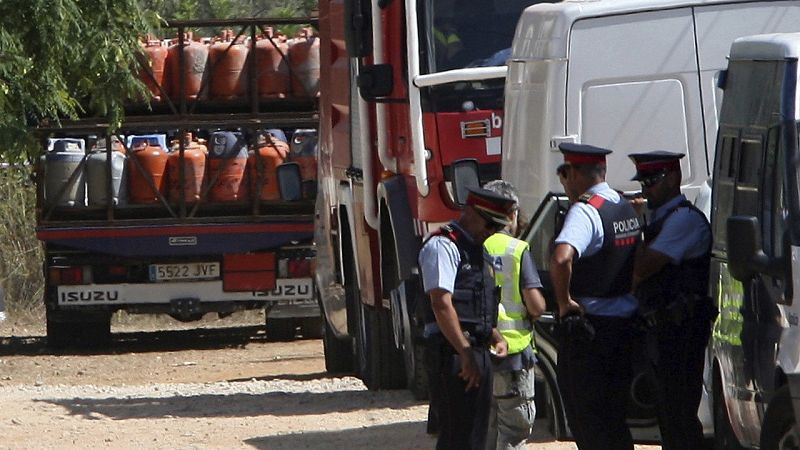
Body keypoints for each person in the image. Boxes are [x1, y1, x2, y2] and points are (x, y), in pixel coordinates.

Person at [550, 143, 641, 450]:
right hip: (623, 329)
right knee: (615, 421)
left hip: (591, 335)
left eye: (565, 173)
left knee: (589, 424)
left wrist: (564, 303)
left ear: (574, 173)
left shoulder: (585, 210)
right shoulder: (622, 205)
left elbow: (561, 258)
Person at [628, 151, 714, 450]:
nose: (646, 189)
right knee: (668, 414)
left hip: (682, 330)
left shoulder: (683, 220)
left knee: (679, 414)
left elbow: (642, 268)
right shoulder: (661, 219)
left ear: (674, 178)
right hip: (662, 331)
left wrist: (634, 225)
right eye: (644, 182)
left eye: (652, 181)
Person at [419, 186, 516, 450]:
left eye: (497, 227)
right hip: (452, 352)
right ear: (471, 212)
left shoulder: (476, 250)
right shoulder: (443, 245)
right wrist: (464, 351)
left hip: (475, 351)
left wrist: (493, 335)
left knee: (475, 437)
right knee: (457, 437)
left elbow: (476, 301)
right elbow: (441, 304)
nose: (492, 232)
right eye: (490, 224)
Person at [482, 180, 546, 450]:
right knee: (513, 432)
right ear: (512, 213)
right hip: (514, 355)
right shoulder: (517, 250)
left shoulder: (474, 246)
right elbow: (536, 306)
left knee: (485, 430)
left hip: (479, 354)